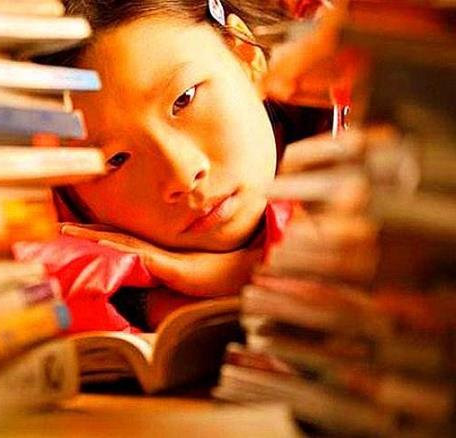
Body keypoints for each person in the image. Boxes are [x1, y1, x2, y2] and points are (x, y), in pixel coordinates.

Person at [33, 0, 332, 330]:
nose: (182, 174)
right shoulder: (35, 197)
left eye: (184, 99)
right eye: (116, 160)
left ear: (246, 57)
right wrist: (146, 302)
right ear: (76, 200)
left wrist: (251, 270)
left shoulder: (356, 72)